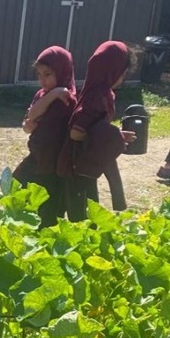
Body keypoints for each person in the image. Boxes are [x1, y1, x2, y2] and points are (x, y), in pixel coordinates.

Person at [57, 41, 137, 221]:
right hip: (79, 165)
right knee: (82, 217)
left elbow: (92, 129)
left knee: (88, 208)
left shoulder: (96, 91)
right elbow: (76, 133)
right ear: (113, 71)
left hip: (86, 161)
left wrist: (113, 135)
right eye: (122, 74)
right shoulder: (97, 97)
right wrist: (114, 136)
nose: (122, 78)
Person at [13, 46, 76, 227]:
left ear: (62, 71)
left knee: (48, 208)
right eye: (39, 75)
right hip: (37, 157)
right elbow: (30, 119)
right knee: (18, 190)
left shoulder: (67, 99)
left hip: (54, 164)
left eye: (47, 74)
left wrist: (56, 95)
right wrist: (27, 125)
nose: (42, 80)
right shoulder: (43, 95)